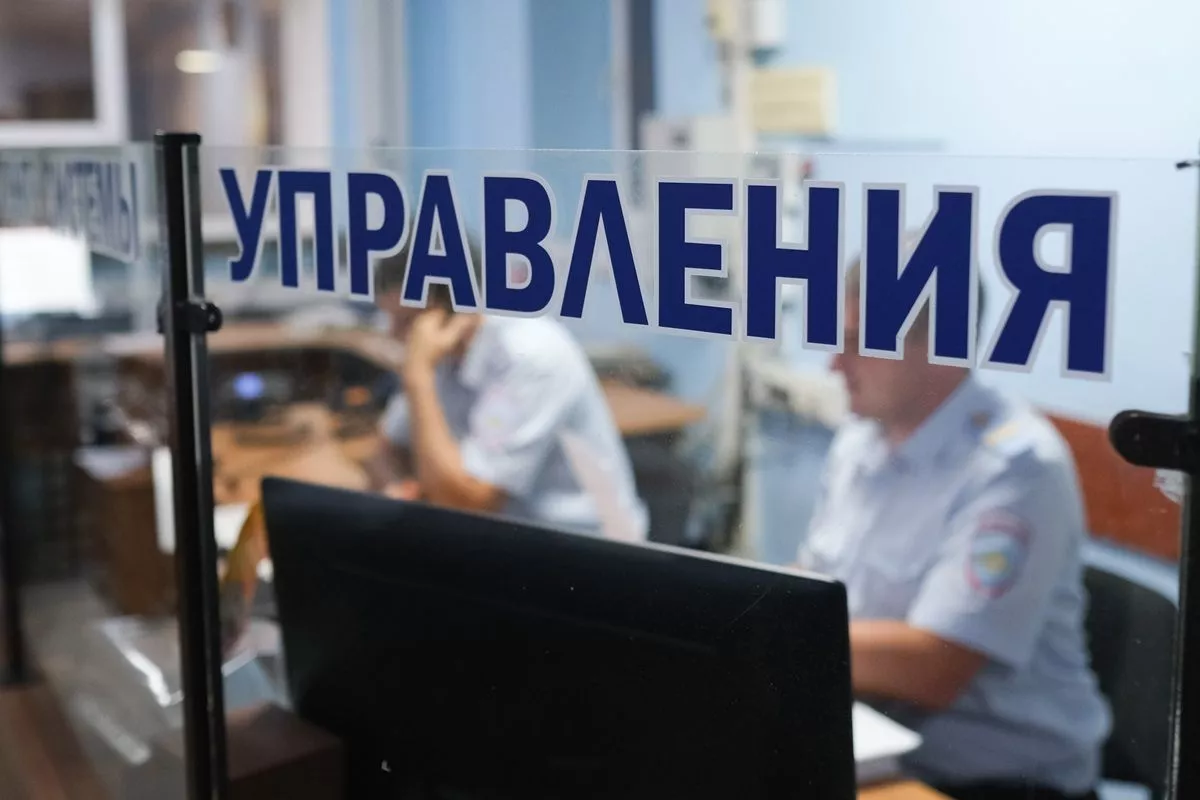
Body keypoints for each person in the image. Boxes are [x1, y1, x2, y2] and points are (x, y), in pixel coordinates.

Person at [798, 258, 1110, 800]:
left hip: (999, 782)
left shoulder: (1016, 467)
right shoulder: (861, 439)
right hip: (875, 747)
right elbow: (809, 580)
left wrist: (778, 633)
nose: (834, 364)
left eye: (855, 343)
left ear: (940, 349)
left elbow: (935, 665)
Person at [365, 238, 649, 540]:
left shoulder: (530, 357)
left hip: (587, 548)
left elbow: (467, 502)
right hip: (503, 539)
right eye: (389, 319)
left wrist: (418, 377)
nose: (393, 335)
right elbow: (385, 450)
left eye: (405, 322)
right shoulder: (439, 355)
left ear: (455, 315)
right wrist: (397, 484)